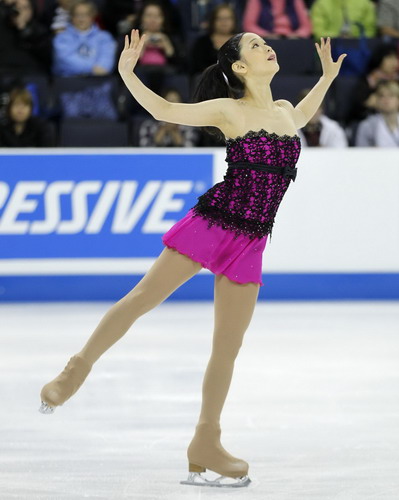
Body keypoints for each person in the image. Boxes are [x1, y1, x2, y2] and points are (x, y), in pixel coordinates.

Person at [39, 30, 346, 488]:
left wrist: (324, 79)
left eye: (266, 43)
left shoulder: (282, 111)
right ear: (239, 67)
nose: (266, 48)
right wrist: (127, 74)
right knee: (143, 297)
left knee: (228, 346)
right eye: (255, 46)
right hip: (215, 221)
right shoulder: (229, 109)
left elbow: (300, 114)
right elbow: (166, 111)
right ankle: (74, 370)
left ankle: (206, 441)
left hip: (253, 238)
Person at [52, 0, 116, 76]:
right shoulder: (62, 37)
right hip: (67, 82)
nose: (81, 19)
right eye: (77, 15)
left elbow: (106, 63)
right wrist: (92, 68)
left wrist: (102, 68)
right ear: (71, 16)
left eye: (86, 14)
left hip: (98, 82)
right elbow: (64, 60)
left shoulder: (105, 37)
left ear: (93, 15)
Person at [188, 3, 239, 76]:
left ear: (234, 20)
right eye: (219, 18)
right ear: (213, 21)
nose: (224, 22)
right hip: (210, 81)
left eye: (228, 18)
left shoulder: (242, 41)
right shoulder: (202, 42)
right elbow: (197, 67)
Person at [355, 80, 399, 147]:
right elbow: (361, 152)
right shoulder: (367, 126)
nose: (386, 100)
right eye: (382, 96)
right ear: (377, 100)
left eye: (391, 96)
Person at [243, 0, 312, 39]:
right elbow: (249, 25)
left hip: (292, 39)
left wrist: (297, 35)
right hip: (266, 40)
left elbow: (306, 26)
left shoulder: (295, 1)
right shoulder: (257, 1)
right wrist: (267, 35)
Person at [310, 0, 377, 39]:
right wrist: (339, 37)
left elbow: (370, 31)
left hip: (359, 48)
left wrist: (353, 39)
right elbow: (318, 32)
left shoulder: (365, 3)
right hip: (330, 48)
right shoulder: (321, 4)